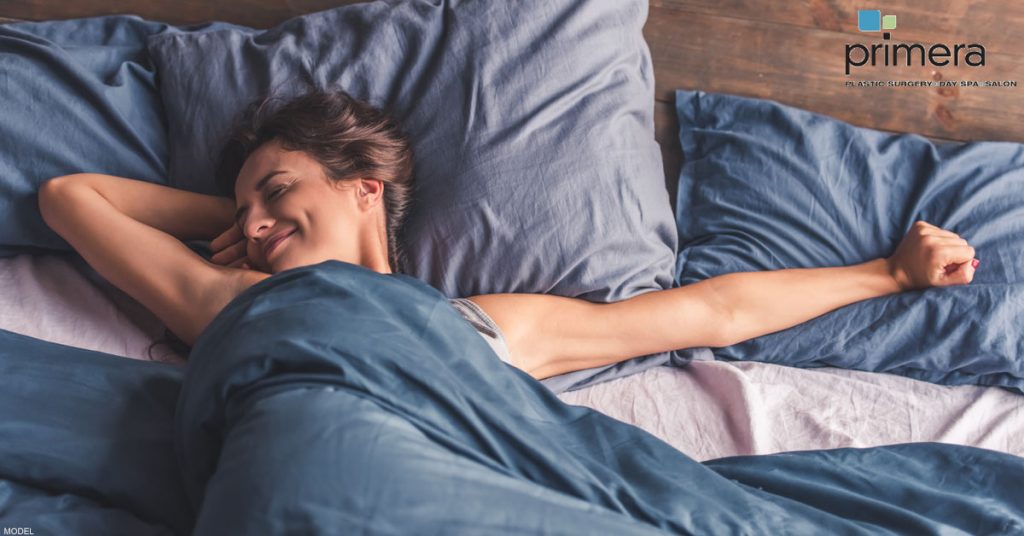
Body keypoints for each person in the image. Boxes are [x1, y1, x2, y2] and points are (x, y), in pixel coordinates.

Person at [37, 89, 979, 380]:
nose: (251, 218)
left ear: (366, 190)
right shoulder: (230, 302)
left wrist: (888, 276)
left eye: (277, 187)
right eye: (240, 206)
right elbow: (69, 196)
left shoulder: (486, 324)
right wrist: (248, 225)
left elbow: (712, 312)